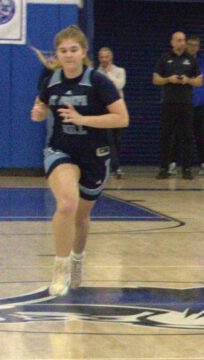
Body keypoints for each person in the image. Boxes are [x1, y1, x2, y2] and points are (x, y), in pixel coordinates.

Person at [31, 26, 128, 296]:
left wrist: (83, 119)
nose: (69, 55)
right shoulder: (51, 81)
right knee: (66, 204)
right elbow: (40, 108)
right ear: (58, 54)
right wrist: (38, 113)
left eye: (74, 50)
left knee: (82, 217)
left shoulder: (98, 81)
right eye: (63, 51)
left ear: (83, 52)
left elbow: (122, 118)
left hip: (94, 155)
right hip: (61, 150)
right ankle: (60, 268)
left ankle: (77, 259)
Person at [153, 31, 201, 179]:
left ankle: (186, 168)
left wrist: (188, 80)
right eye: (178, 40)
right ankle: (163, 168)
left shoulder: (191, 60)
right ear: (172, 42)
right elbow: (155, 79)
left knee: (186, 136)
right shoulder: (165, 58)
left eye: (183, 40)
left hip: (185, 104)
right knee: (166, 136)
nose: (181, 43)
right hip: (169, 103)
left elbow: (199, 82)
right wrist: (168, 79)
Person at [187, 36, 204, 176]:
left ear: (198, 47)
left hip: (201, 106)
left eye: (195, 45)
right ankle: (175, 164)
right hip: (184, 105)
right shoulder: (181, 62)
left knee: (200, 136)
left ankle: (203, 164)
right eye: (190, 44)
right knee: (181, 136)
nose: (193, 47)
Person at [97, 47, 126, 179]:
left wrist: (108, 75)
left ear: (111, 57)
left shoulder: (119, 71)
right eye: (102, 57)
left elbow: (119, 85)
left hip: (118, 110)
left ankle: (114, 164)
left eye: (106, 57)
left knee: (116, 140)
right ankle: (116, 167)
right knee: (108, 140)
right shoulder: (95, 73)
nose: (104, 60)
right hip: (103, 110)